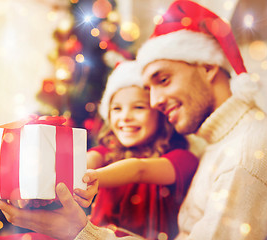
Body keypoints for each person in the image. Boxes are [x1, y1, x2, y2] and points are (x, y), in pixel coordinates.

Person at [0, 0, 267, 239]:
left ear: (207, 68)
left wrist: (79, 232)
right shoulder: (220, 144)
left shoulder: (247, 152)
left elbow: (138, 171)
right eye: (148, 89)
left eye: (163, 79)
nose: (155, 102)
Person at [84, 60, 198, 239]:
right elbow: (88, 160)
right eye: (117, 109)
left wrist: (92, 178)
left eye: (138, 107)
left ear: (161, 114)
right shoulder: (108, 153)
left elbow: (139, 169)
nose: (126, 117)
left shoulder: (182, 158)